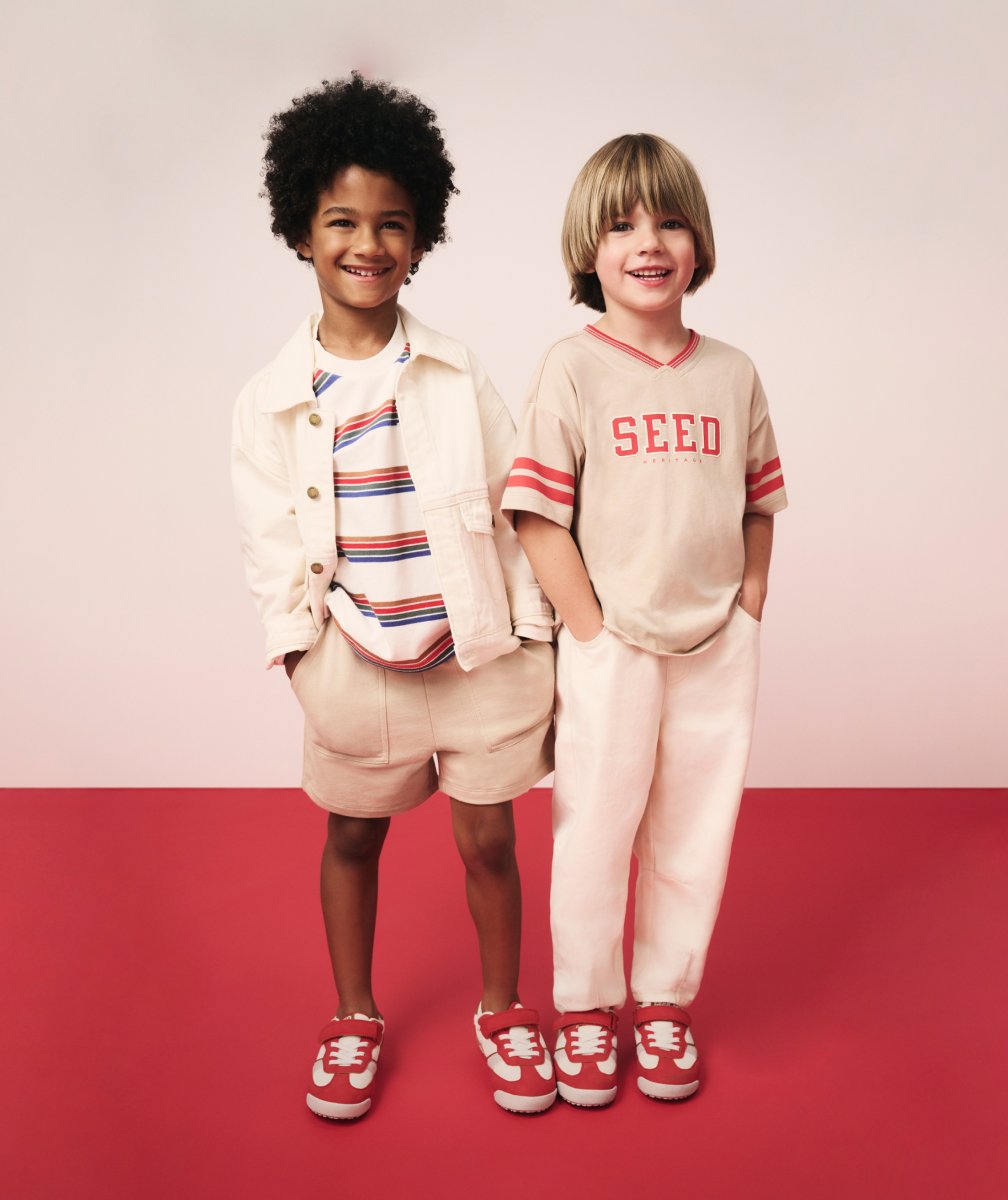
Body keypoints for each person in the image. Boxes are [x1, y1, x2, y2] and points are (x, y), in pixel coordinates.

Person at [231, 74, 557, 1119]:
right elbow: (271, 542)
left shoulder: (457, 375)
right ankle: (354, 1014)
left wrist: (536, 634)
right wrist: (299, 658)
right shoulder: (270, 402)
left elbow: (517, 504)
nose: (366, 244)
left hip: (475, 656)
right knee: (353, 837)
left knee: (490, 841)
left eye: (391, 224)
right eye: (341, 221)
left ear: (419, 240)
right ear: (300, 232)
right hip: (355, 662)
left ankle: (503, 1009)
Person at [503, 133, 787, 1107]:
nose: (648, 242)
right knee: (597, 823)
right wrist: (588, 627)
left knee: (696, 826)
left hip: (716, 643)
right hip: (612, 641)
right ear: (590, 249)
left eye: (668, 221)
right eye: (621, 226)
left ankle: (664, 1000)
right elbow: (536, 515)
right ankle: (586, 1007)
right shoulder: (573, 369)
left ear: (698, 242)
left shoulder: (733, 373)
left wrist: (749, 604)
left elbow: (760, 500)